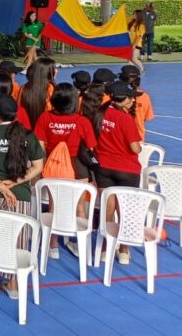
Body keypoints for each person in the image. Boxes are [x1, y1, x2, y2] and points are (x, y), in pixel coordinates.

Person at [0, 94, 45, 299]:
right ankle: (13, 281)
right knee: (18, 237)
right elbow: (38, 167)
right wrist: (14, 183)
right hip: (20, 195)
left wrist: (0, 186)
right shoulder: (28, 136)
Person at [33, 83, 99, 260]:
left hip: (55, 167)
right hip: (77, 168)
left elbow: (39, 145)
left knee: (54, 205)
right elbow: (92, 146)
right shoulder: (82, 121)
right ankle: (79, 244)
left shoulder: (45, 118)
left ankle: (53, 244)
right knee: (80, 207)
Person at [93, 80, 144, 266]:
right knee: (125, 211)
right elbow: (135, 148)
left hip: (104, 168)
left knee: (107, 210)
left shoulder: (100, 113)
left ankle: (106, 248)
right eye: (131, 98)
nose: (133, 101)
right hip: (127, 170)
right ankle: (123, 249)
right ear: (123, 99)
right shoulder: (126, 119)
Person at [18, 57, 56, 129]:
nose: (56, 71)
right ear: (47, 72)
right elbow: (51, 110)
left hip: (27, 127)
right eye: (54, 68)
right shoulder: (50, 88)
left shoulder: (24, 87)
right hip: (46, 127)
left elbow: (19, 109)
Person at [119, 65, 154, 140]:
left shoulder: (115, 95)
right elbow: (146, 117)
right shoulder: (145, 97)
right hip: (138, 138)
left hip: (119, 139)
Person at [127, 9, 146, 75]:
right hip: (131, 43)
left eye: (134, 14)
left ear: (138, 15)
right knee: (129, 59)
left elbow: (138, 36)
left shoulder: (141, 25)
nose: (133, 15)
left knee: (134, 58)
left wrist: (134, 45)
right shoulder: (133, 22)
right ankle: (130, 71)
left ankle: (142, 69)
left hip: (136, 44)